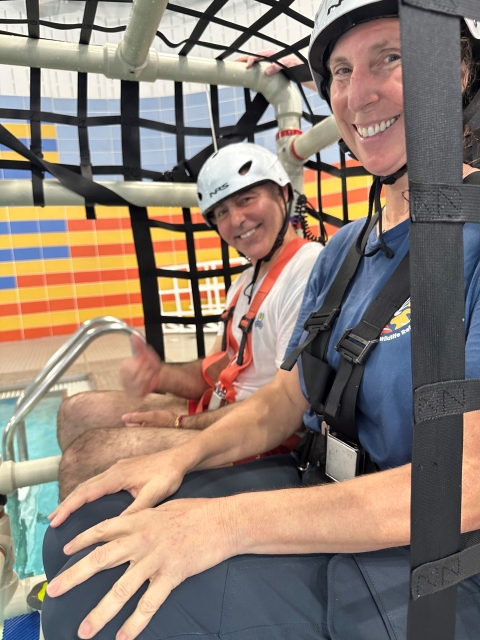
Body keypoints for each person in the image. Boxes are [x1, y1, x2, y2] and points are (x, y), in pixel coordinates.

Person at [41, 2, 480, 639]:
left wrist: (227, 522)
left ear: (460, 70)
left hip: (433, 559)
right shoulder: (345, 251)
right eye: (339, 70)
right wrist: (186, 455)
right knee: (78, 536)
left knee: (86, 601)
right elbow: (286, 397)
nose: (358, 93)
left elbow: (466, 483)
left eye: (392, 56)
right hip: (324, 489)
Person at [56, 142, 321, 498]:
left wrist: (181, 424)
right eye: (222, 212)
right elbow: (218, 371)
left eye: (246, 200)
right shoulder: (244, 282)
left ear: (283, 194)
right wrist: (160, 375)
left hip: (263, 440)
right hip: (217, 411)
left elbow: (284, 411)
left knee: (85, 457)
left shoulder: (308, 269)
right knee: (77, 411)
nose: (236, 220)